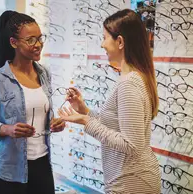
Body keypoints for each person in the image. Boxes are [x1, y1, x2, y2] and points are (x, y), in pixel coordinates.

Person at [58, 9, 161, 194]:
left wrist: (85, 121)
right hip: (131, 178)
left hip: (131, 183)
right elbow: (118, 125)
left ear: (120, 42)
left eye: (105, 37)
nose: (102, 44)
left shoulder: (129, 84)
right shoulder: (134, 77)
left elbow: (132, 145)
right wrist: (85, 111)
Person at [0, 10, 66, 194]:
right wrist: (6, 129)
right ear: (14, 42)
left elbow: (41, 112)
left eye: (40, 38)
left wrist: (54, 122)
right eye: (31, 40)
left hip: (42, 164)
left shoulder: (44, 74)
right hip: (10, 170)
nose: (38, 45)